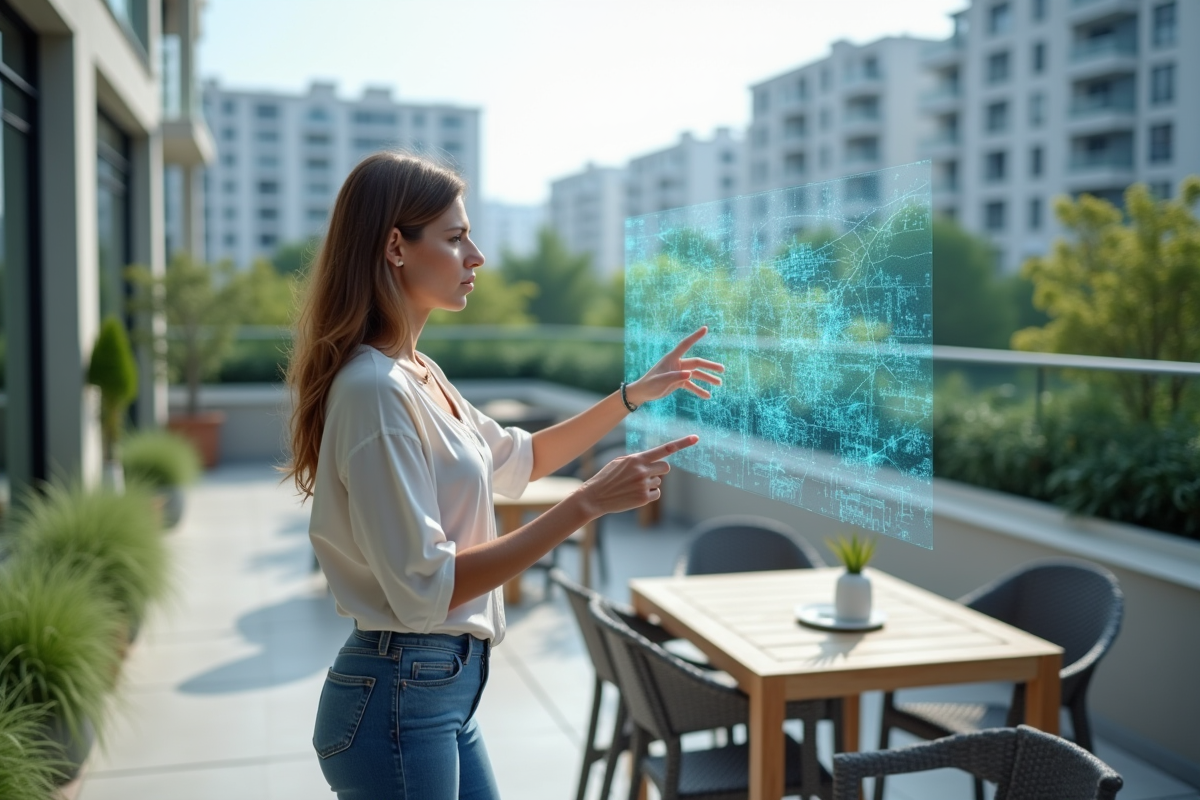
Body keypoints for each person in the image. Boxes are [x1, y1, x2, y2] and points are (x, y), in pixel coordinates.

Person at [284, 152, 723, 800]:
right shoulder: (375, 390)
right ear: (395, 247)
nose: (477, 255)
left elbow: (521, 460)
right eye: (456, 237)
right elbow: (426, 589)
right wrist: (584, 506)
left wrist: (631, 396)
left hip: (440, 691)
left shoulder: (418, 372)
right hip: (401, 696)